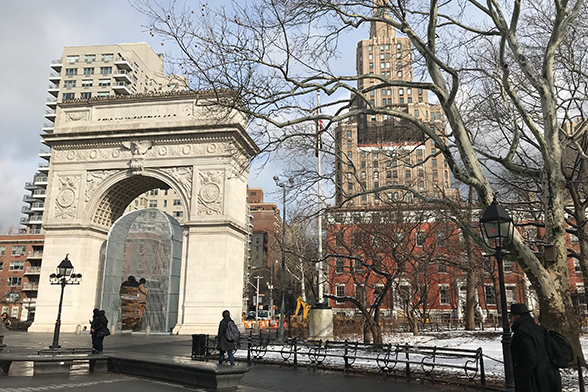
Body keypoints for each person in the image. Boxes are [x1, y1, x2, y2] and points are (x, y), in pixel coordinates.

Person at [510, 303, 561, 392]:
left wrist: (523, 377)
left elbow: (529, 357)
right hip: (549, 374)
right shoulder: (539, 328)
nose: (511, 319)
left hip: (535, 379)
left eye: (512, 316)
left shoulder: (521, 332)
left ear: (517, 316)